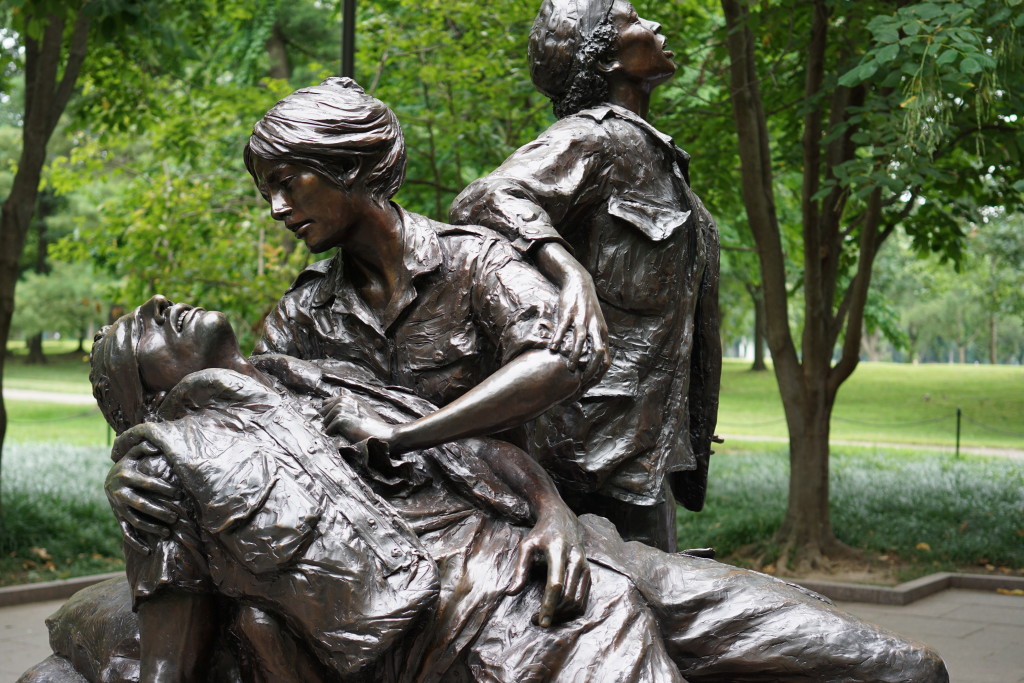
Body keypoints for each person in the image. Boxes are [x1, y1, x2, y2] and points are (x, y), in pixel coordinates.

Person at [86, 296, 947, 683]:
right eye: (140, 326)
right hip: (499, 622)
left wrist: (554, 512)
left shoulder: (313, 370)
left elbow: (482, 450)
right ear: (145, 397)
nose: (160, 300)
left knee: (904, 668)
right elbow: (169, 664)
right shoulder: (166, 468)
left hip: (578, 556)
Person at [451, 0, 720, 551]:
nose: (655, 25)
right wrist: (567, 267)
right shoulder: (594, 140)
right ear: (603, 59)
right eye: (634, 18)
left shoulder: (656, 159)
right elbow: (484, 198)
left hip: (646, 449)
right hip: (592, 449)